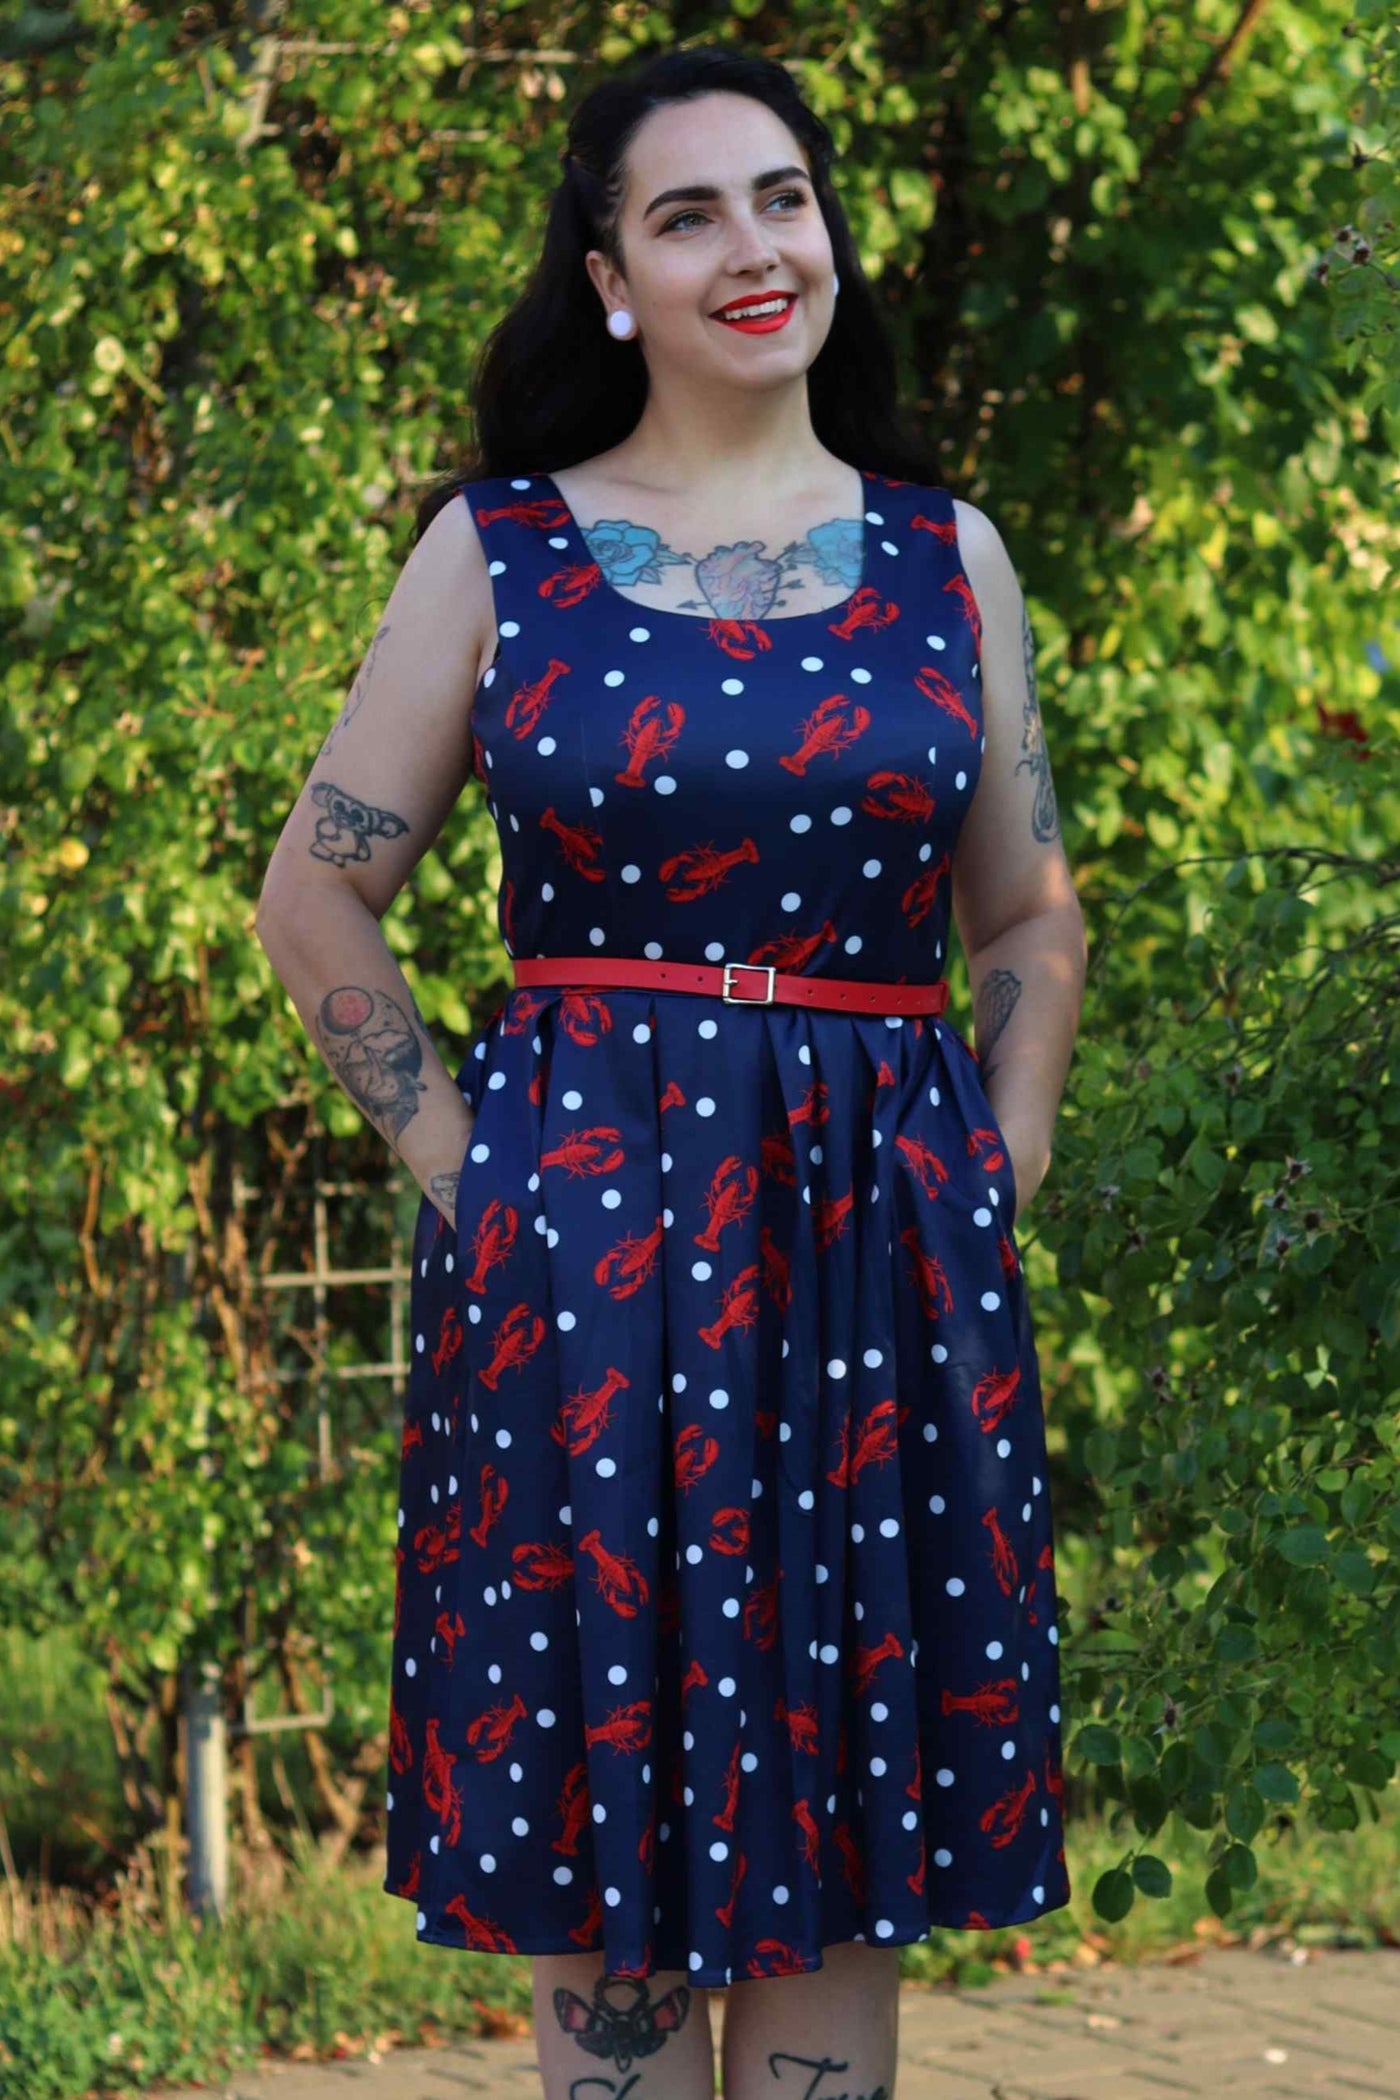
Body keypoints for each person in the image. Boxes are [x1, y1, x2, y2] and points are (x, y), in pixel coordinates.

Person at [256, 42, 1087, 2100]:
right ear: (609, 277)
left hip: (875, 1294)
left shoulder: (941, 558)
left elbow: (1026, 918)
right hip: (590, 1294)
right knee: (603, 1913)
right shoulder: (504, 550)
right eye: (689, 211)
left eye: (783, 197)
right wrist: (490, 1182)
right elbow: (315, 902)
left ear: (829, 240)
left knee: (844, 1871)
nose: (752, 245)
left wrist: (995, 1169)